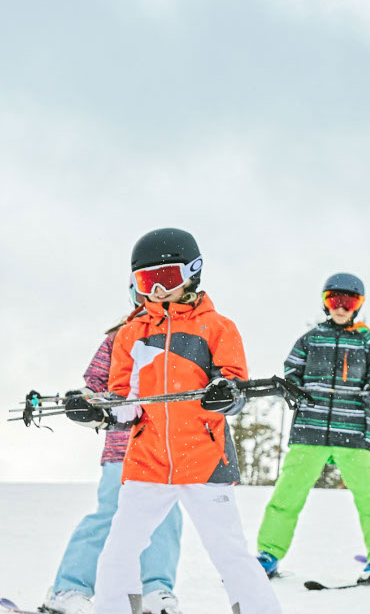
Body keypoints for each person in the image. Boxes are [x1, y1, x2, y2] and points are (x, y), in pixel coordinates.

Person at [78, 228, 282, 614]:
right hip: (148, 462)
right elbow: (124, 402)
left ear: (192, 272)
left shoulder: (219, 328)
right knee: (119, 551)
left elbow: (234, 387)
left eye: (166, 278)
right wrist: (98, 409)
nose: (156, 291)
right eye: (146, 281)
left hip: (203, 460)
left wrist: (227, 393)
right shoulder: (132, 334)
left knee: (230, 553)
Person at [253, 272, 370, 583]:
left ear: (358, 306)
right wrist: (292, 387)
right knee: (287, 495)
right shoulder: (310, 339)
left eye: (349, 301)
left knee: (369, 497)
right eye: (334, 300)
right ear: (325, 303)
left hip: (353, 431)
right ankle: (268, 554)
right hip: (310, 428)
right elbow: (291, 370)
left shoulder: (367, 341)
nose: (341, 307)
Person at [40, 308, 185, 614]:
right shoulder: (120, 337)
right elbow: (95, 381)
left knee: (165, 518)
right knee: (109, 514)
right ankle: (70, 588)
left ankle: (157, 592)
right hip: (124, 447)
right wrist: (84, 398)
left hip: (165, 450)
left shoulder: (185, 335)